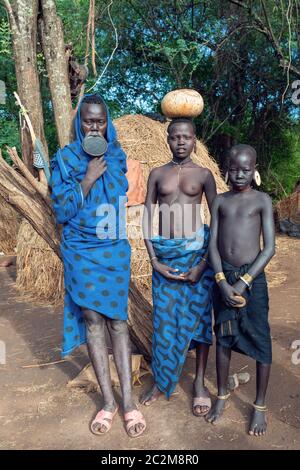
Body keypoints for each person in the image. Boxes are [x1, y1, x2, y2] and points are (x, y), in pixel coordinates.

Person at [50, 93, 146, 438]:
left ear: (107, 123)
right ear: (80, 123)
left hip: (112, 248)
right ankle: (108, 402)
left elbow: (122, 202)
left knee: (118, 322)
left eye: (100, 120)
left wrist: (103, 167)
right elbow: (61, 210)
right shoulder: (65, 159)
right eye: (89, 120)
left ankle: (129, 401)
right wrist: (87, 178)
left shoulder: (119, 156)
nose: (95, 126)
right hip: (79, 250)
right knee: (92, 319)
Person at [141, 118, 217, 417]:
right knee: (164, 323)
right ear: (168, 140)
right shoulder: (157, 174)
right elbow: (147, 217)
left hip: (196, 256)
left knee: (199, 323)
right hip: (166, 258)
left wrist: (203, 263)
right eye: (175, 138)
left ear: (195, 140)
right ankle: (162, 380)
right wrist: (154, 261)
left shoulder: (204, 174)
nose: (181, 142)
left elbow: (218, 219)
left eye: (186, 137)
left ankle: (198, 383)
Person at [206, 144, 275, 436]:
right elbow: (212, 245)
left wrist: (243, 282)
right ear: (226, 168)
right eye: (234, 169)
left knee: (260, 340)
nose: (239, 175)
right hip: (223, 279)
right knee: (223, 339)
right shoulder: (220, 201)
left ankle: (259, 405)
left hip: (252, 280)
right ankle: (221, 395)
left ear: (254, 169)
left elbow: (269, 248)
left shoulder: (262, 201)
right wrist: (222, 281)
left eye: (246, 170)